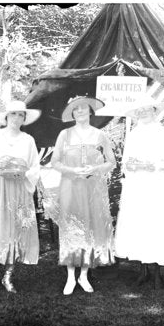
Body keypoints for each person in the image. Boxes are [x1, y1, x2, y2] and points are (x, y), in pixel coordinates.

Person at [0, 100, 42, 293]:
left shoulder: (28, 140)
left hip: (19, 189)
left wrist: (24, 174)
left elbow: (35, 167)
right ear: (6, 116)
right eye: (13, 114)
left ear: (24, 119)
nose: (17, 118)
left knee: (15, 228)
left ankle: (8, 276)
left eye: (21, 115)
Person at [48, 95, 115, 295]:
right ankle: (70, 276)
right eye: (76, 109)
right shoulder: (65, 134)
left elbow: (111, 162)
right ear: (72, 113)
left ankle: (83, 275)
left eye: (83, 107)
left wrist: (95, 169)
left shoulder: (100, 135)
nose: (80, 111)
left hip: (93, 187)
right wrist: (72, 171)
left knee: (91, 226)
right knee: (71, 226)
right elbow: (55, 162)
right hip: (70, 185)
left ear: (90, 111)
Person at [114, 99, 164, 289]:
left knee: (156, 226)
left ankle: (157, 272)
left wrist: (156, 166)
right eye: (140, 110)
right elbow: (126, 163)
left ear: (154, 111)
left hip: (157, 187)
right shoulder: (133, 135)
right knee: (140, 225)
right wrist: (133, 166)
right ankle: (143, 270)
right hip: (137, 187)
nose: (143, 112)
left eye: (147, 109)